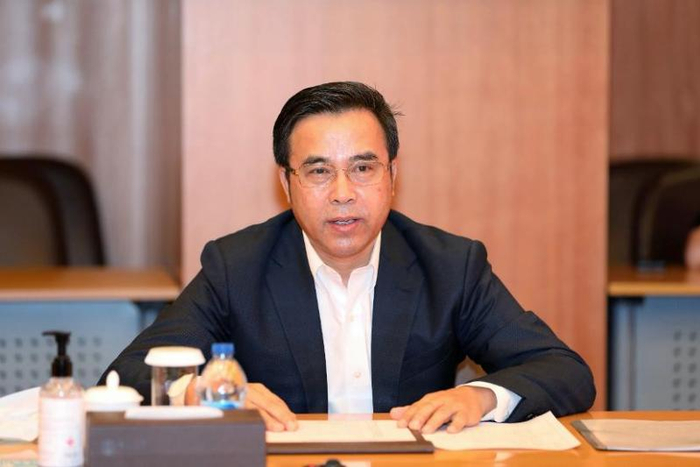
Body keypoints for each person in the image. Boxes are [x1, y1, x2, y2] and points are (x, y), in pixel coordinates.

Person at [103, 81, 595, 433]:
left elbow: (564, 370)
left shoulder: (449, 266)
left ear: (392, 176)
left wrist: (478, 396)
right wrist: (203, 390)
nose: (342, 193)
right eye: (319, 171)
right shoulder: (237, 267)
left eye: (363, 168)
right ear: (286, 184)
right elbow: (127, 373)